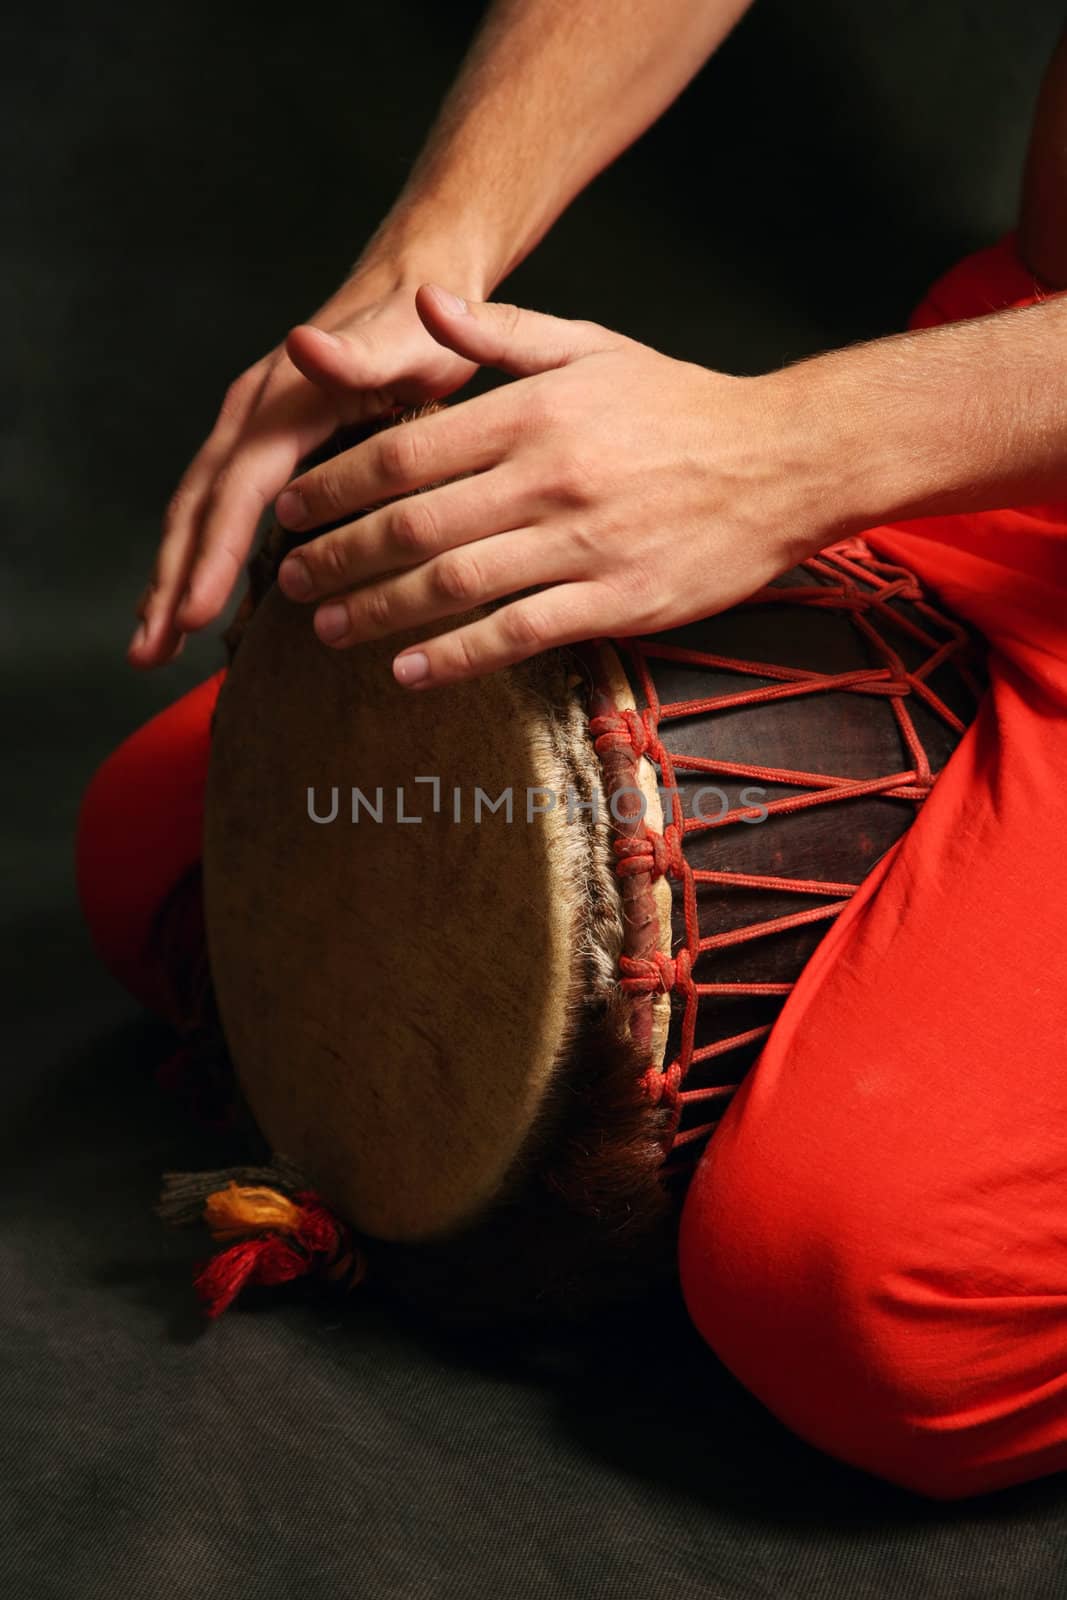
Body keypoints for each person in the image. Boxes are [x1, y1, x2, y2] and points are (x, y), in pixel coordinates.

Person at [78, 2, 1067, 1500]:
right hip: (999, 437)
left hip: (927, 433)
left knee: (869, 1306)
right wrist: (434, 251)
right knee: (160, 851)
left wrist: (801, 448)